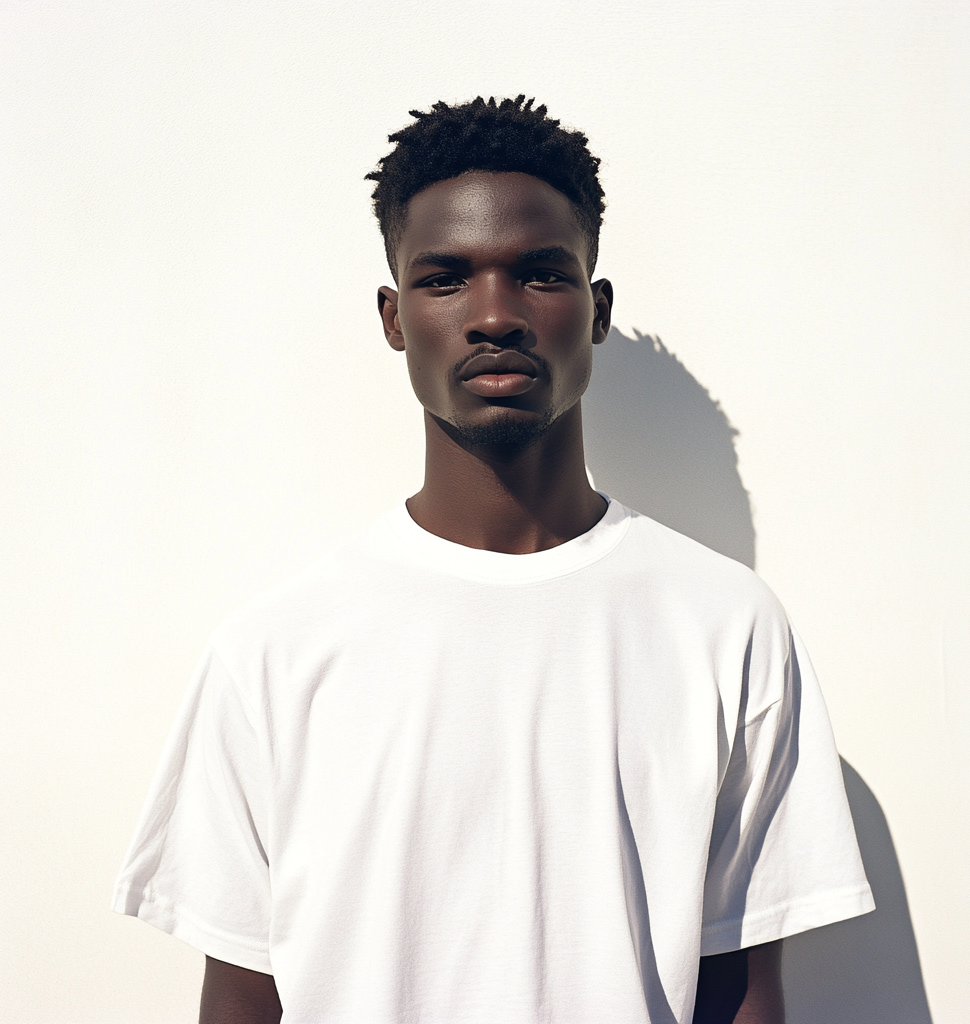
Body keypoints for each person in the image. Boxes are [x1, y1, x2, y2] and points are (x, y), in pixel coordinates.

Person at [113, 96, 874, 1024]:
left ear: (594, 311)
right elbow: (240, 996)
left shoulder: (728, 626)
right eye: (446, 278)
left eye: (539, 274)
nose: (495, 315)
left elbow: (743, 993)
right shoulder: (273, 651)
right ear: (395, 319)